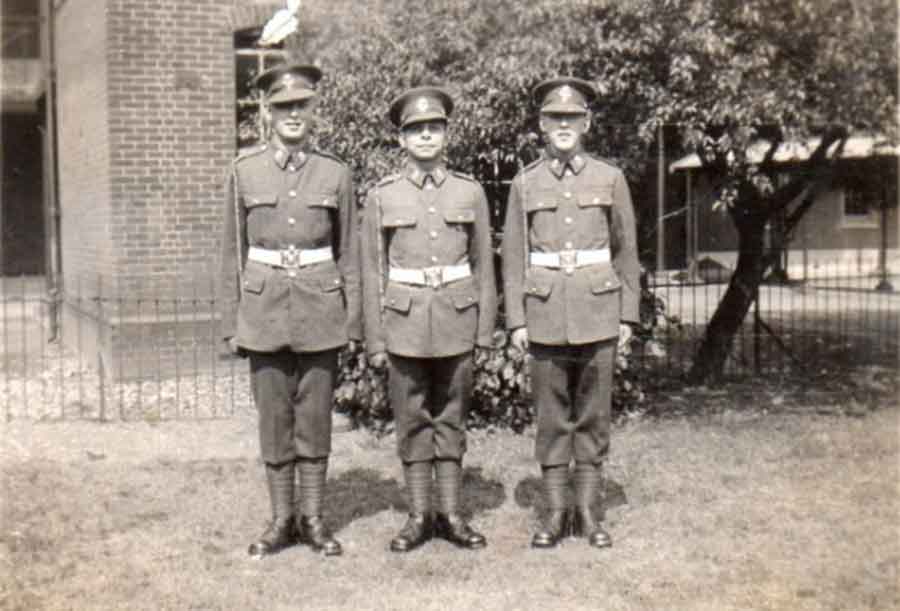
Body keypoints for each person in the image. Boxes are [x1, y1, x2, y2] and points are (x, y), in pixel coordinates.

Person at [218, 62, 361, 558]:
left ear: (313, 109)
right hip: (263, 312)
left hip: (320, 309)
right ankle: (282, 520)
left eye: (301, 105)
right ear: (268, 112)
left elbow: (350, 253)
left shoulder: (335, 172)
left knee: (315, 418)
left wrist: (354, 320)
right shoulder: (244, 171)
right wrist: (228, 322)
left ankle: (314, 519)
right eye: (283, 106)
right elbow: (229, 253)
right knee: (274, 419)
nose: (293, 114)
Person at [501, 76, 640, 550]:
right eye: (555, 118)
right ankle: (556, 512)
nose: (564, 126)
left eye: (573, 118)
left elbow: (626, 252)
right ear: (542, 125)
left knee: (593, 415)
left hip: (599, 311)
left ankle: (588, 511)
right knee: (552, 415)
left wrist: (627, 316)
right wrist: (517, 320)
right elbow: (514, 257)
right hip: (543, 313)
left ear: (587, 123)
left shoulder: (610, 178)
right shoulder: (525, 183)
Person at [361, 86, 497, 553]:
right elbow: (371, 271)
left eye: (433, 128)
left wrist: (484, 329)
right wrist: (375, 340)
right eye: (415, 130)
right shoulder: (381, 197)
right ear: (401, 139)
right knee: (412, 418)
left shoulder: (469, 191)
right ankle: (420, 515)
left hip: (457, 319)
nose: (425, 136)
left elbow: (484, 265)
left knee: (453, 417)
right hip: (404, 323)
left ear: (447, 134)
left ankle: (453, 515)